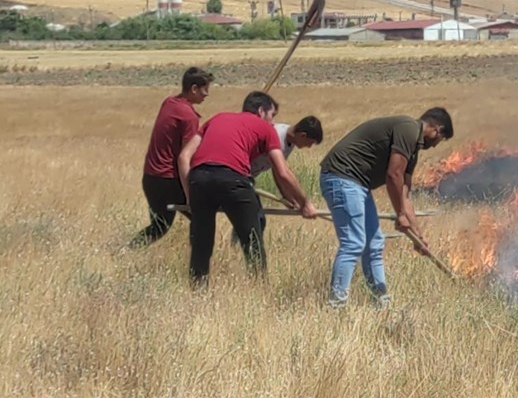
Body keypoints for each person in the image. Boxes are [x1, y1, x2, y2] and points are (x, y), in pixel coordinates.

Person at [178, 91, 318, 286]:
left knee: (201, 242)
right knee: (252, 240)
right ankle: (259, 288)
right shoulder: (266, 128)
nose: (272, 121)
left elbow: (184, 157)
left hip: (199, 178)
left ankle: (197, 288)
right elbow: (283, 172)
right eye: (272, 115)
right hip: (233, 180)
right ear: (261, 111)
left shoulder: (217, 118)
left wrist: (189, 197)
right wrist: (306, 203)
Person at [319, 107, 454, 307]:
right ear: (437, 129)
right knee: (354, 243)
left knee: (374, 243)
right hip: (341, 176)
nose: (435, 146)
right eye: (439, 139)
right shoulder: (409, 129)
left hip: (358, 184)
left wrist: (417, 234)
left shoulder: (413, 149)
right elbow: (393, 176)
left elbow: (404, 194)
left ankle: (381, 302)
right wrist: (400, 214)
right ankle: (336, 304)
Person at [129, 67, 214, 249]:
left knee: (159, 226)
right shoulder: (188, 117)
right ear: (193, 89)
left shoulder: (169, 102)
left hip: (151, 178)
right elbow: (185, 158)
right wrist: (191, 194)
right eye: (204, 89)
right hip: (168, 180)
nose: (206, 94)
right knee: (202, 216)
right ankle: (199, 261)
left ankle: (127, 250)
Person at [231, 115, 323, 245]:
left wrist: (287, 197)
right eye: (310, 143)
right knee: (254, 218)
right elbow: (283, 173)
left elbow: (277, 169)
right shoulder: (277, 135)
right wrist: (304, 203)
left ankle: (239, 248)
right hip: (237, 175)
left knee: (254, 218)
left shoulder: (290, 143)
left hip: (246, 178)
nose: (309, 147)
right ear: (302, 135)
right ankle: (239, 249)